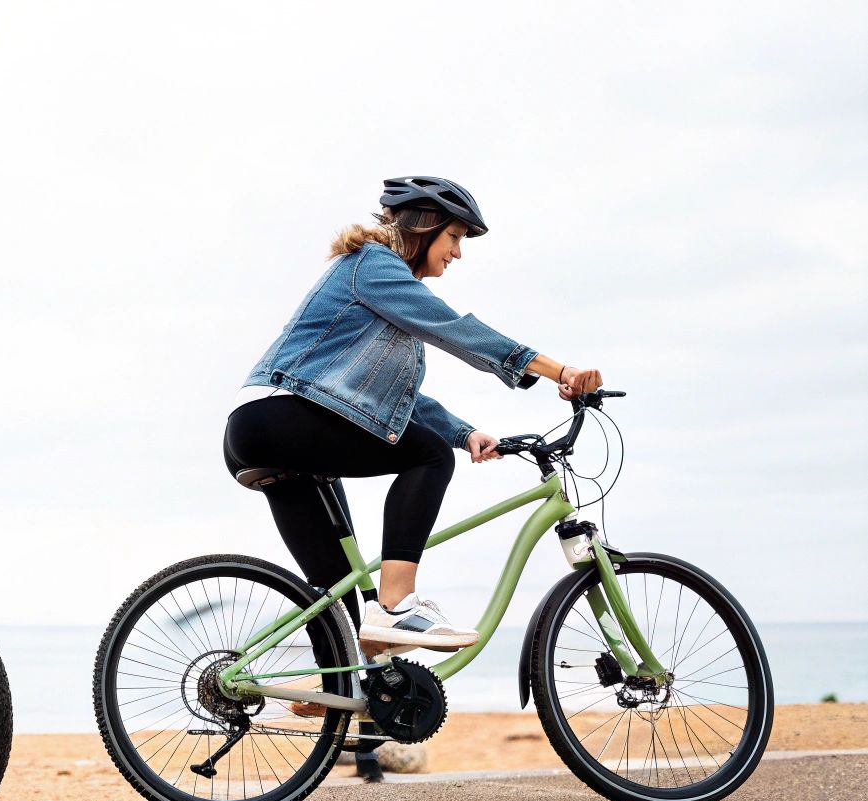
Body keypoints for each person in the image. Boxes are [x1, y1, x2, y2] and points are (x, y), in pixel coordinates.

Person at [223, 176, 603, 714]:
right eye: (455, 237)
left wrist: (464, 433)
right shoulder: (373, 265)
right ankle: (399, 603)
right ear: (424, 227)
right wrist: (556, 370)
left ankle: (339, 689)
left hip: (260, 428)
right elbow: (455, 328)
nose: (458, 253)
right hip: (282, 416)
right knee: (427, 454)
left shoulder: (380, 294)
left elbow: (393, 398)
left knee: (338, 593)